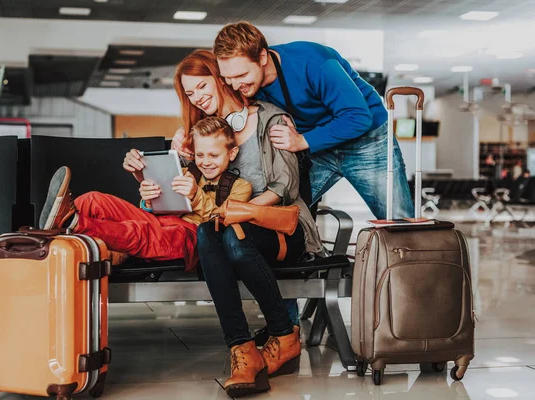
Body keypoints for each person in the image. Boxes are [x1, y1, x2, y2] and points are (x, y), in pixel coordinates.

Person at [173, 21, 414, 328]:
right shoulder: (248, 84)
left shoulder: (315, 63)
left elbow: (358, 116)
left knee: (402, 227)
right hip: (315, 147)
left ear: (262, 57)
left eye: (241, 76)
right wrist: (185, 131)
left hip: (366, 141)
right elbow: (224, 112)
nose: (234, 85)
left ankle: (416, 313)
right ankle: (286, 327)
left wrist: (304, 141)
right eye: (228, 78)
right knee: (276, 220)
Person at [174, 49, 323, 397]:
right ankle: (242, 350)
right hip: (232, 229)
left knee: (229, 236)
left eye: (201, 86)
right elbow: (199, 196)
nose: (197, 97)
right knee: (207, 234)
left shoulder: (271, 119)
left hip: (285, 228)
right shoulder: (204, 134)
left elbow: (285, 186)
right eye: (189, 93)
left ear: (220, 76)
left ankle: (283, 334)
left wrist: (238, 212)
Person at [37, 117, 252, 270]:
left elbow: (224, 224)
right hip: (161, 220)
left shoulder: (241, 187)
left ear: (231, 153)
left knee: (137, 231)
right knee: (93, 199)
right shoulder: (185, 171)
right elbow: (152, 208)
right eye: (200, 155)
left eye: (213, 155)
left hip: (191, 237)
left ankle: (70, 224)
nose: (205, 161)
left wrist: (196, 196)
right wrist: (149, 198)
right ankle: (57, 229)